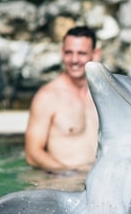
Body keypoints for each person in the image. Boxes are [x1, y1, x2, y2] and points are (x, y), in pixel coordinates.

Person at [24, 26, 101, 173]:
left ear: (95, 54)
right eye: (68, 53)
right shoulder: (48, 96)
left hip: (97, 181)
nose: (74, 60)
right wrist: (69, 175)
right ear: (62, 52)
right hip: (62, 184)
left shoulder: (102, 95)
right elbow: (32, 154)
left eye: (82, 53)